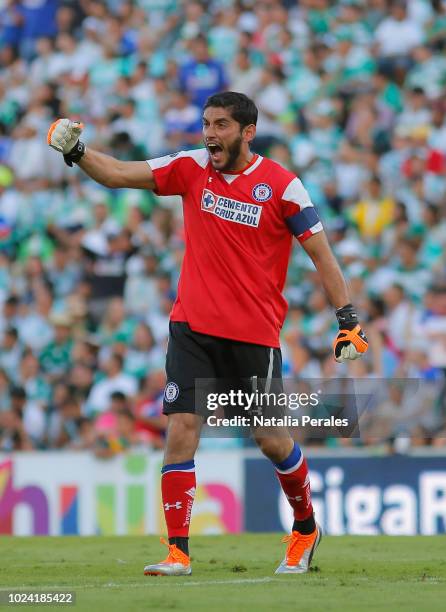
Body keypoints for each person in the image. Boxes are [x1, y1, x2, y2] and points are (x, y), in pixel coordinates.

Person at [47, 91, 368, 576]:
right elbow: (117, 173)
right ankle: (177, 552)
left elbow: (322, 255)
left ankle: (305, 527)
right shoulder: (191, 167)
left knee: (271, 440)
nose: (210, 134)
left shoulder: (283, 187)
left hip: (253, 335)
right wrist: (77, 151)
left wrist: (347, 319)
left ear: (247, 132)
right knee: (181, 430)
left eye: (220, 125)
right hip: (191, 326)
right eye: (206, 123)